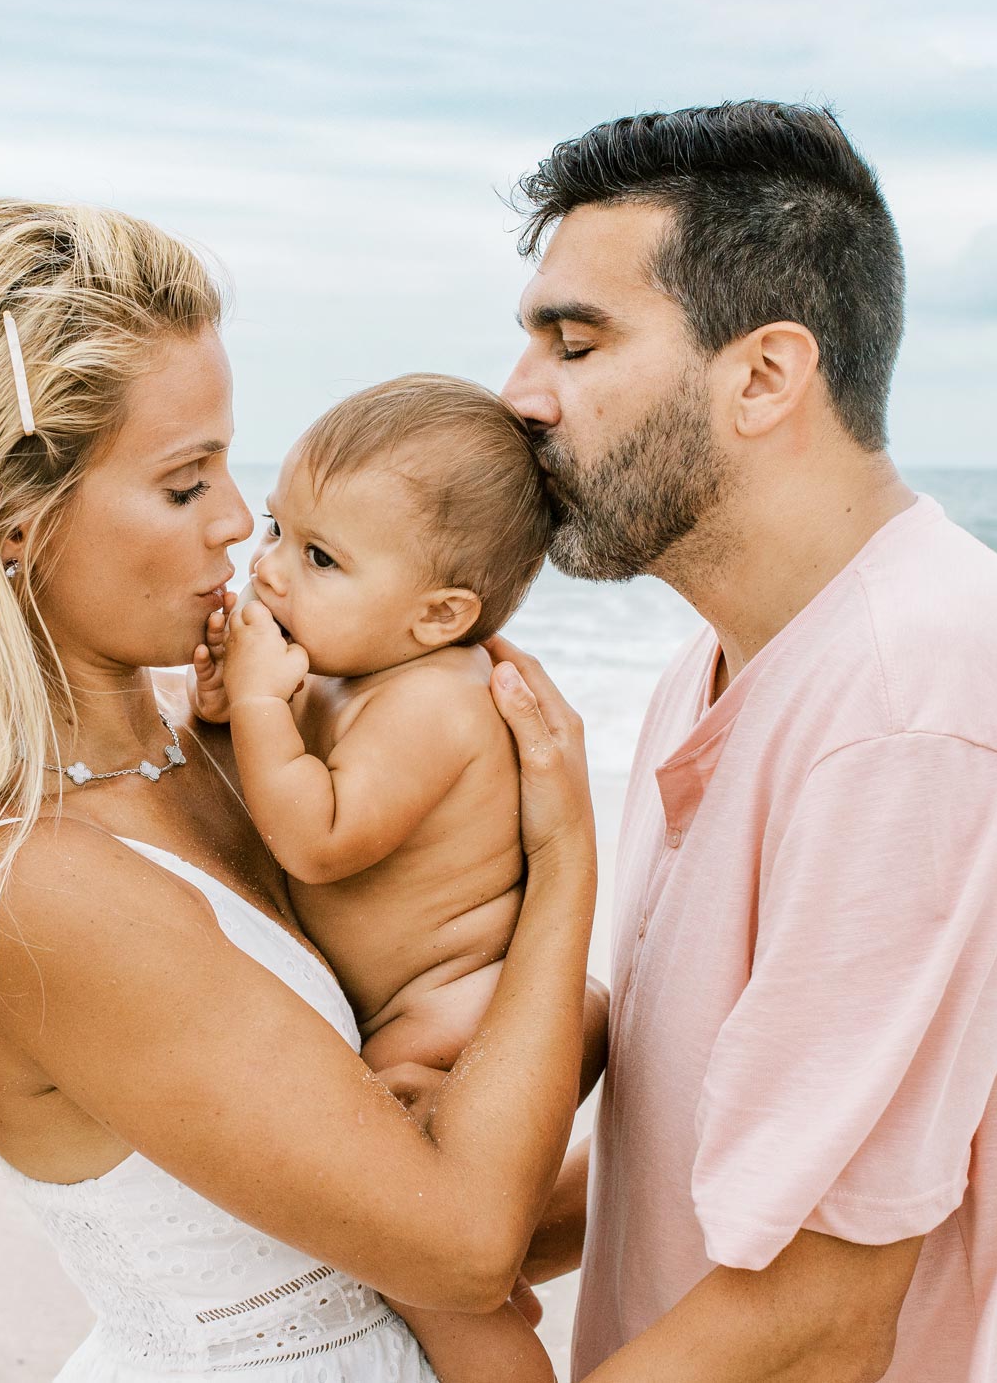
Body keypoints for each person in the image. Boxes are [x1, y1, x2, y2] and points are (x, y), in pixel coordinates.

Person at [0, 198, 598, 1382]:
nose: (236, 522)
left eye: (230, 463)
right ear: (12, 526)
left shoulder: (214, 751)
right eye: (182, 484)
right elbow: (464, 1249)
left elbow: (412, 1213)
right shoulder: (42, 885)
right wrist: (567, 856)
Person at [502, 103, 997, 1381]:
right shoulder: (721, 660)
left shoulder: (918, 704)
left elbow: (814, 1313)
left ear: (762, 374)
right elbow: (723, 1161)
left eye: (575, 344)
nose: (520, 395)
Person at [189, 374, 611, 1382]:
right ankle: (517, 1251)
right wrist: (226, 707)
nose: (273, 571)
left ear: (438, 615)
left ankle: (498, 1361)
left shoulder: (436, 701)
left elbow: (319, 837)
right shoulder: (350, 671)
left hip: (450, 1013)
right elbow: (285, 769)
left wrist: (253, 708)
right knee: (415, 1228)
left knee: (411, 1242)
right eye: (281, 530)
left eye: (321, 558)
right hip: (434, 1001)